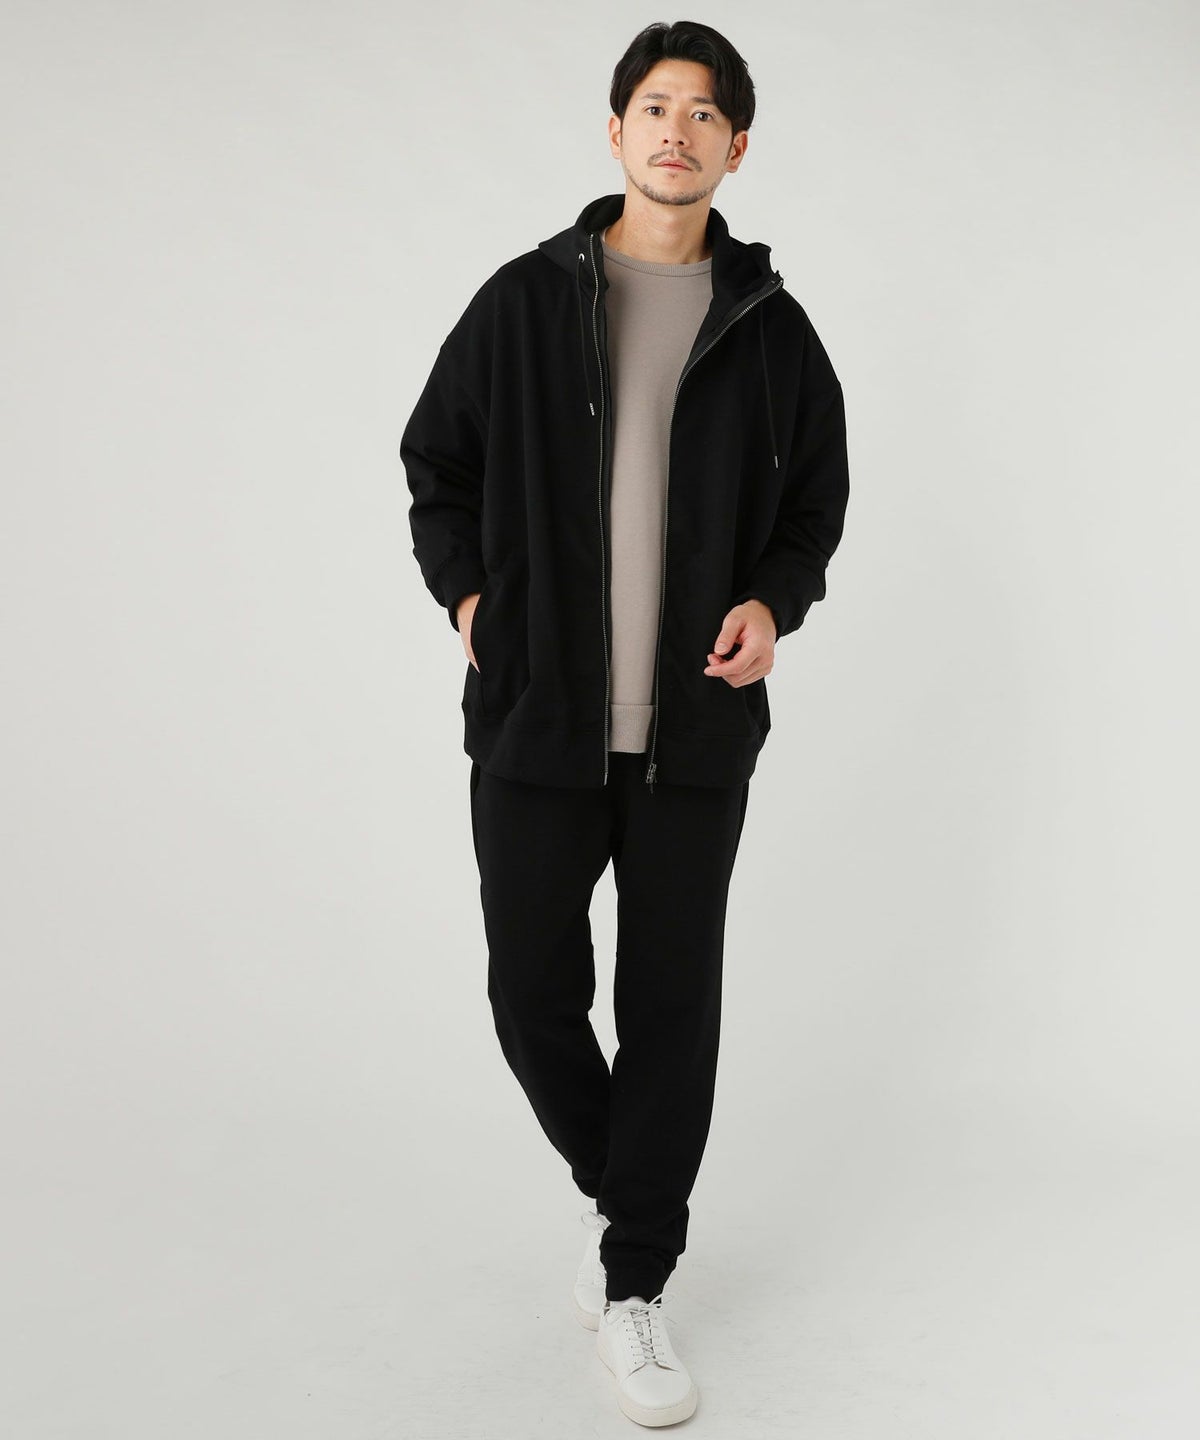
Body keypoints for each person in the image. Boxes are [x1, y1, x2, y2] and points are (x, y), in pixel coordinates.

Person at [401, 19, 850, 1427]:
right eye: (655, 106)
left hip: (694, 731)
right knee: (529, 994)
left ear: (736, 147)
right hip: (537, 719)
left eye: (704, 112)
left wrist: (774, 603)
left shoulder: (771, 330)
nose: (677, 130)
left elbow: (815, 505)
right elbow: (436, 464)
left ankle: (634, 1283)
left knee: (669, 1005)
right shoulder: (524, 302)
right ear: (615, 131)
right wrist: (472, 600)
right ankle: (635, 1196)